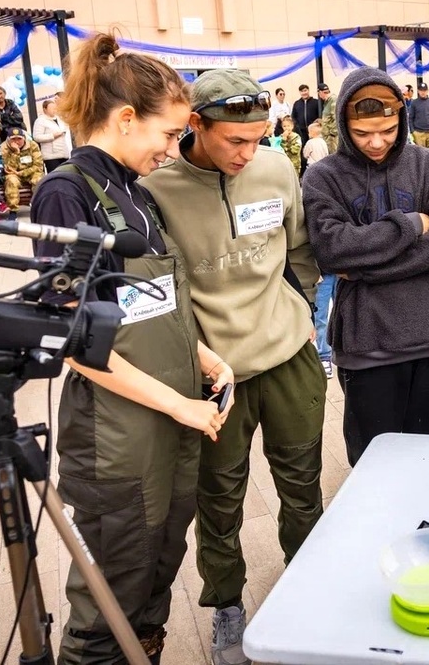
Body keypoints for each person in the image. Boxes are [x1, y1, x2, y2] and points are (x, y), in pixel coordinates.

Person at [29, 32, 234, 665]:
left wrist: (201, 357)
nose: (173, 150)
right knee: (112, 588)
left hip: (169, 422)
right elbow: (72, 342)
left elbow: (157, 303)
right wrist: (180, 406)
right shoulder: (66, 193)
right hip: (116, 438)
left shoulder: (137, 194)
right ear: (124, 119)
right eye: (168, 135)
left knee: (158, 565)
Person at [140, 69, 326, 665]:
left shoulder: (275, 168)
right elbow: (160, 291)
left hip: (289, 354)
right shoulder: (158, 190)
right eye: (234, 142)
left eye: (259, 137)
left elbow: (298, 250)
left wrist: (301, 307)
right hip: (214, 375)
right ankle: (226, 604)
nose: (250, 153)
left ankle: (307, 583)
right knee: (218, 496)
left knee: (302, 483)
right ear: (194, 125)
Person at [302, 66, 429, 466]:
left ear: (402, 119)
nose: (376, 143)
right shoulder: (323, 177)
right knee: (374, 466)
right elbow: (332, 251)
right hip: (366, 343)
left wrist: (363, 268)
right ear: (343, 124)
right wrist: (411, 225)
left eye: (387, 131)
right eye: (362, 134)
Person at [0, 126, 45, 214]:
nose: (16, 142)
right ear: (9, 139)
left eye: (19, 139)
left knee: (38, 179)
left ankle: (39, 206)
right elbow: (7, 168)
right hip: (13, 174)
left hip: (30, 171)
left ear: (24, 138)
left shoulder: (32, 145)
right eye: (13, 139)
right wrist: (15, 152)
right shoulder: (3, 147)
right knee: (11, 180)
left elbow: (38, 165)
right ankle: (13, 211)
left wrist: (22, 173)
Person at [33, 98, 72, 172]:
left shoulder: (60, 119)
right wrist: (52, 136)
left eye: (55, 108)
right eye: (51, 108)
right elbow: (36, 137)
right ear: (45, 109)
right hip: (51, 155)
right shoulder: (40, 121)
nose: (54, 110)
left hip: (63, 153)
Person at [292, 83, 321, 147]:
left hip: (314, 131)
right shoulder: (297, 104)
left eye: (305, 90)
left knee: (314, 147)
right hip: (301, 132)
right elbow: (293, 117)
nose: (304, 93)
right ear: (300, 92)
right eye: (302, 91)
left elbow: (320, 116)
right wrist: (297, 127)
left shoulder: (316, 102)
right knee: (303, 148)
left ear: (308, 90)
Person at [317, 82, 339, 153]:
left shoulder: (333, 100)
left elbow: (336, 118)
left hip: (333, 138)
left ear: (320, 92)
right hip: (328, 137)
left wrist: (332, 133)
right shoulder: (327, 101)